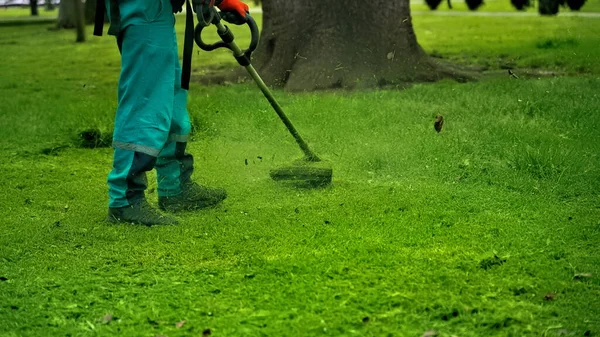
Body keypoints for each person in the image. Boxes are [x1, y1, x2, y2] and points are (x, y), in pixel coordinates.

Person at [99, 0, 250, 226]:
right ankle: (125, 200)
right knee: (145, 101)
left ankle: (175, 186)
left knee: (170, 96)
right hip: (141, 7)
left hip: (156, 9)